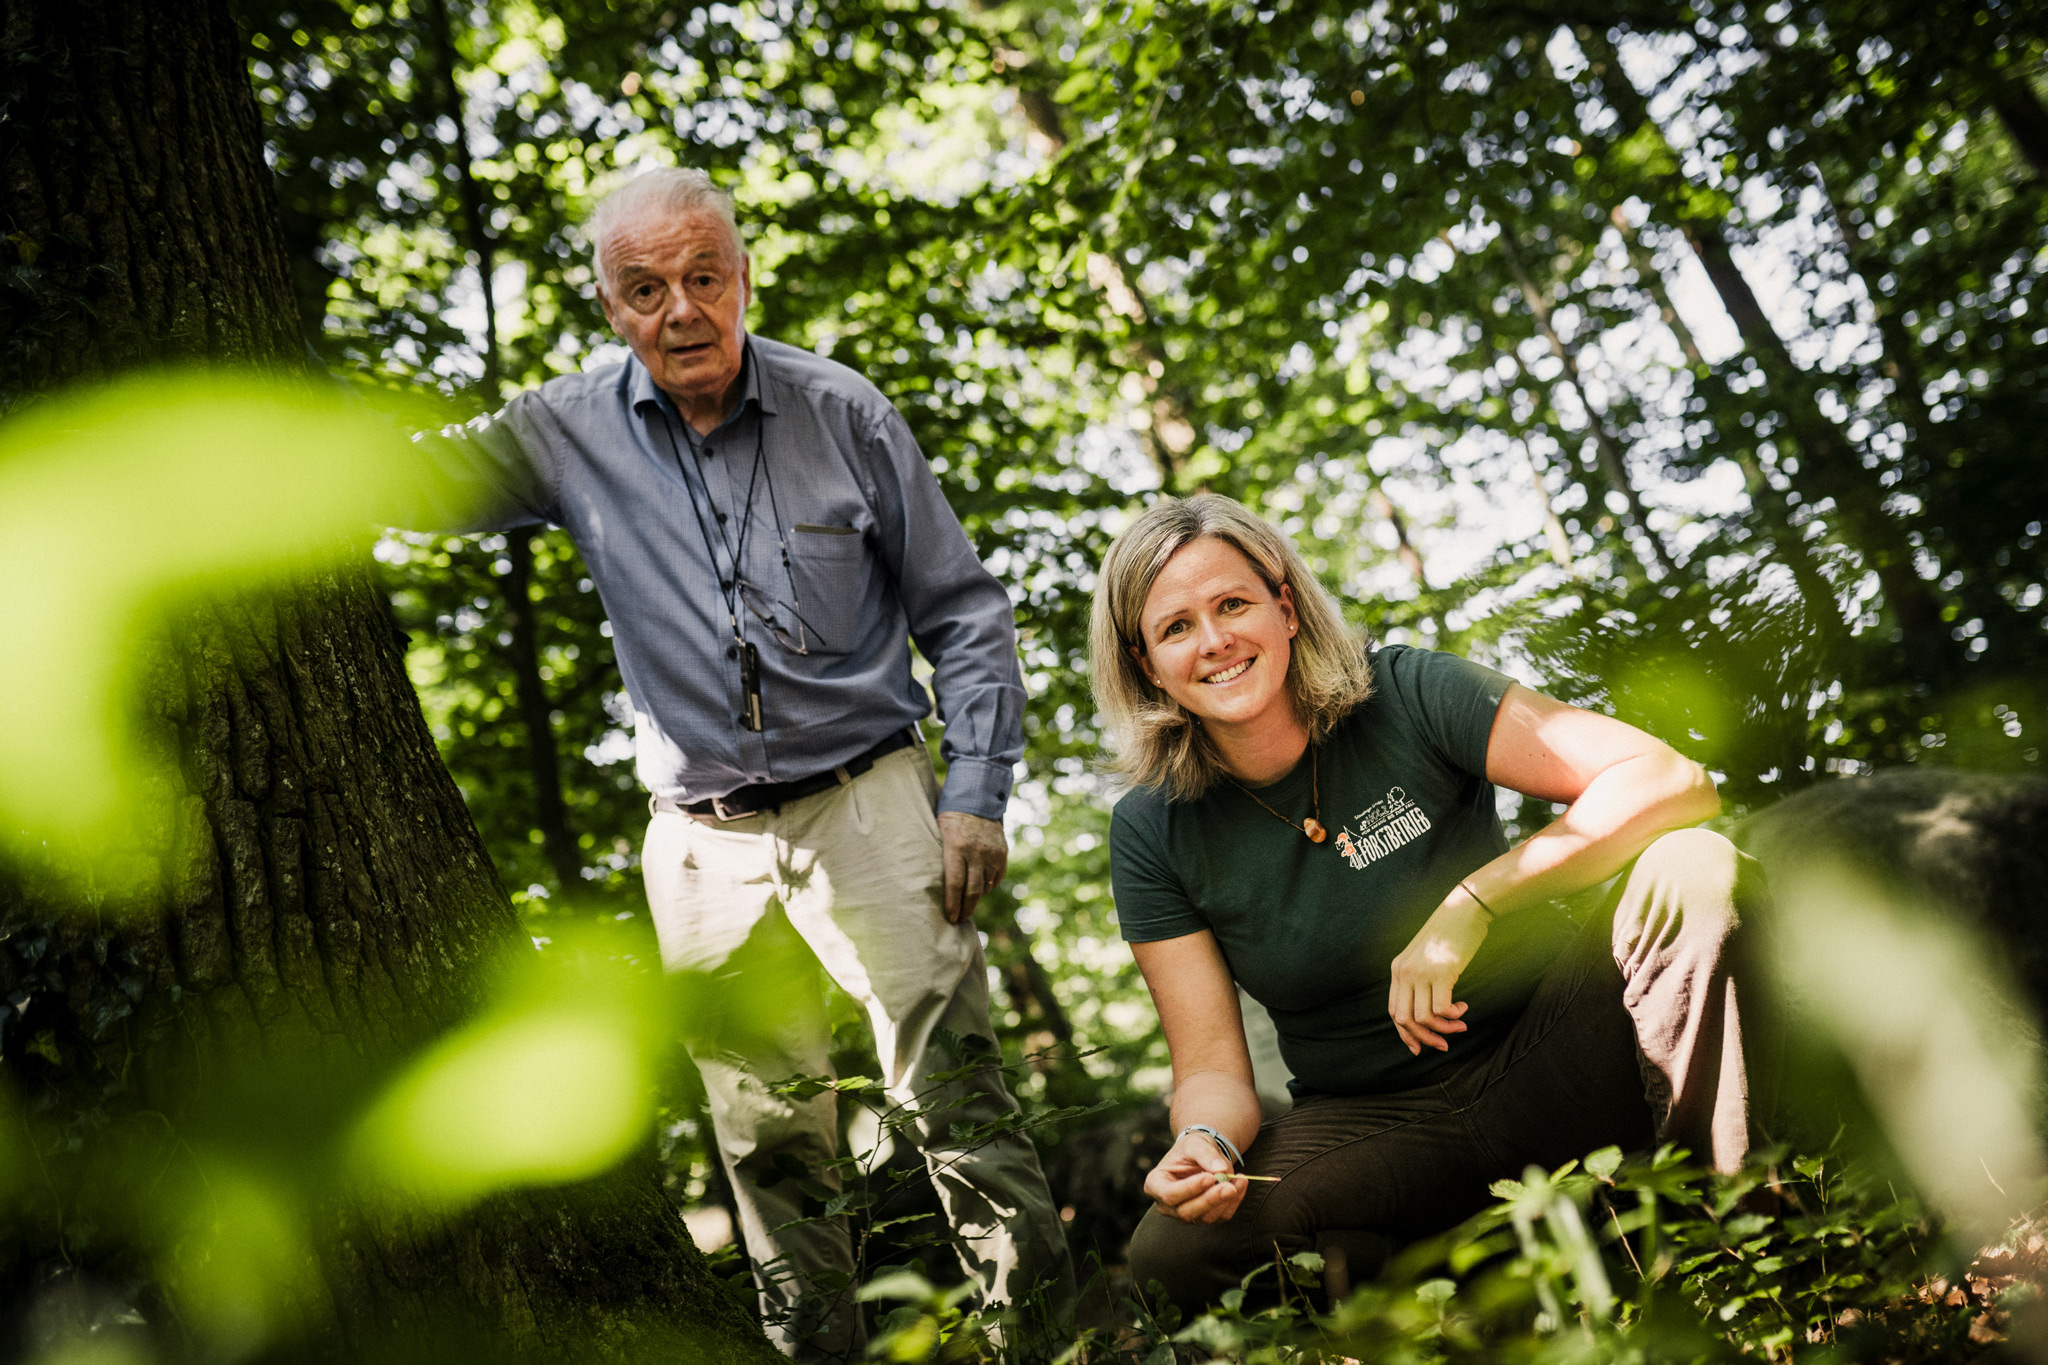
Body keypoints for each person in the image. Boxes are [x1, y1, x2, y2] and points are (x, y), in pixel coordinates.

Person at [419, 166, 1074, 1359]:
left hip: (868, 798)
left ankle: (1045, 1345)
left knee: (952, 1098)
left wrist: (975, 796)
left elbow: (965, 615)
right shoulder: (562, 431)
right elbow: (406, 480)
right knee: (765, 1141)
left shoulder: (844, 411)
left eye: (702, 279)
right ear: (610, 309)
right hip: (698, 841)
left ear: (742, 279)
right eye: (645, 289)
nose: (680, 312)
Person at [1090, 493, 1763, 1314]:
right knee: (1175, 1249)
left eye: (1232, 603)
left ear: (1287, 607)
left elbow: (1668, 779)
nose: (1215, 640)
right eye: (1176, 627)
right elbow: (1212, 1069)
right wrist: (1205, 1139)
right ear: (1146, 662)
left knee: (1690, 867)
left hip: (1554, 1047)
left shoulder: (1406, 691)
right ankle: (1467, 1302)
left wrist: (1474, 899)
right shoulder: (1151, 828)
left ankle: (1733, 1237)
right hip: (1380, 1125)